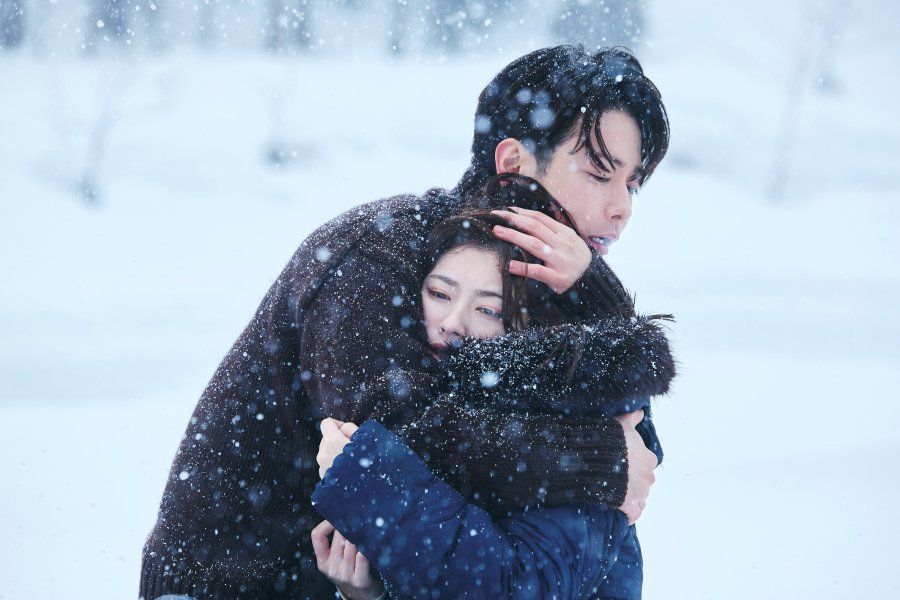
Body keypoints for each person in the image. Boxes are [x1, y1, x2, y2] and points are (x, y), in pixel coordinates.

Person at [140, 44, 669, 599]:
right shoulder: (378, 253)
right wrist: (596, 460)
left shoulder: (551, 289)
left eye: (633, 184)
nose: (622, 209)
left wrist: (594, 293)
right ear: (514, 163)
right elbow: (398, 443)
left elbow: (636, 445)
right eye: (599, 174)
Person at [310, 184, 674, 599]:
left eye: (489, 309)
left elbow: (512, 587)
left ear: (531, 327)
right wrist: (368, 592)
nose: (452, 323)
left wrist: (369, 479)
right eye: (439, 293)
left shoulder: (579, 420)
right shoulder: (460, 413)